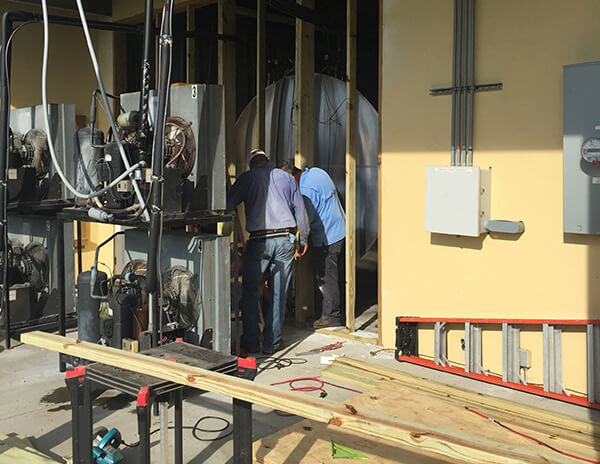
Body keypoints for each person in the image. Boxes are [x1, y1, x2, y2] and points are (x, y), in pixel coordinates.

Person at [227, 149, 310, 354]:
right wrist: (304, 238)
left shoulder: (248, 178)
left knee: (250, 292)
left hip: (260, 241)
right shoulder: (287, 178)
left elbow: (228, 204)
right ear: (269, 161)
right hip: (285, 239)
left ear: (251, 164)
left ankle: (252, 342)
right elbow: (300, 210)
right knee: (279, 293)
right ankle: (272, 344)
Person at [282, 165, 345, 328]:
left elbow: (304, 220)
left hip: (326, 237)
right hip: (341, 229)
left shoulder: (304, 190)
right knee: (337, 274)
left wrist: (298, 241)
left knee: (325, 277)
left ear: (292, 178)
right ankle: (334, 309)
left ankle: (331, 316)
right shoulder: (318, 172)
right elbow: (338, 193)